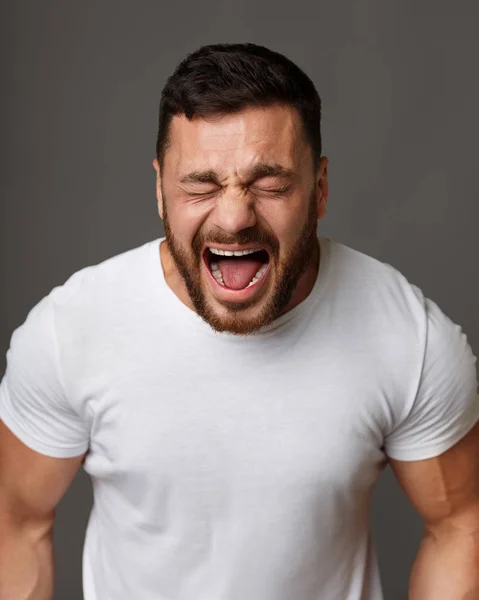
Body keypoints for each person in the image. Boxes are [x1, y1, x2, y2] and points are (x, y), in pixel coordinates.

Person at [1, 42, 478, 600]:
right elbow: (18, 522)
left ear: (319, 189)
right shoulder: (71, 331)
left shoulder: (409, 338)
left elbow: (461, 525)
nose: (233, 217)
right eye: (200, 185)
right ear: (159, 188)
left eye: (270, 184)